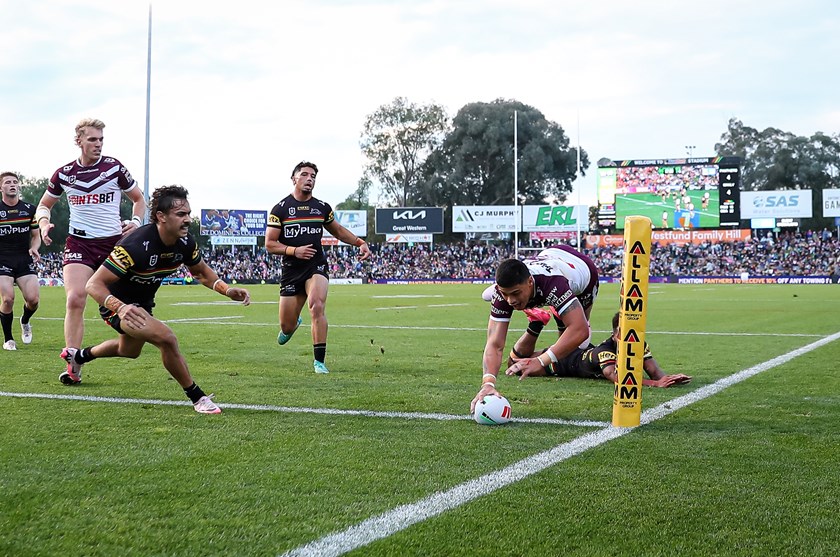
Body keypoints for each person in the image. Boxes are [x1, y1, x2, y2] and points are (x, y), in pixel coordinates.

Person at [72, 185, 250, 414]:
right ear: (161, 217)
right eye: (180, 214)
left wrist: (227, 290)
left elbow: (202, 273)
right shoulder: (135, 245)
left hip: (143, 306)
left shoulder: (185, 242)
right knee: (166, 339)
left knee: (129, 350)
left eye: (188, 214)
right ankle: (197, 397)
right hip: (118, 306)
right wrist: (121, 308)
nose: (187, 220)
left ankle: (79, 356)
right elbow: (93, 284)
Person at [36, 118, 147, 384]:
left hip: (113, 244)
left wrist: (135, 223)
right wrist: (43, 223)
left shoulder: (114, 167)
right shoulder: (64, 174)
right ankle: (73, 363)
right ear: (79, 141)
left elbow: (139, 200)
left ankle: (125, 342)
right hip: (79, 243)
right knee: (75, 297)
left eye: (101, 140)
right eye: (92, 140)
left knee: (126, 304)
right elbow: (44, 204)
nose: (98, 144)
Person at [265, 161, 371, 373]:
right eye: (304, 174)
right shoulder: (280, 209)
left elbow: (338, 231)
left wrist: (360, 242)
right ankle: (293, 324)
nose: (309, 178)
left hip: (316, 265)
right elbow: (270, 244)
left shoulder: (321, 207)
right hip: (291, 270)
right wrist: (295, 251)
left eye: (313, 176)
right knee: (285, 326)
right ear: (294, 179)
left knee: (316, 304)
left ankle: (319, 362)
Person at [471, 245, 599, 413]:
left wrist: (541, 361)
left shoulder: (554, 284)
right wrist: (488, 383)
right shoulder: (503, 294)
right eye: (505, 294)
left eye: (515, 293)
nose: (510, 300)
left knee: (577, 347)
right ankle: (556, 309)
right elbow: (495, 344)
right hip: (549, 256)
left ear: (530, 282)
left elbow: (579, 330)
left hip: (582, 271)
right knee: (497, 298)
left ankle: (558, 309)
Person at [504, 311, 692, 387]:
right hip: (563, 362)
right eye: (627, 332)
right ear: (616, 334)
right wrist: (655, 384)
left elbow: (653, 370)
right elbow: (615, 377)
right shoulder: (605, 352)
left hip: (579, 354)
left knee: (521, 360)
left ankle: (545, 322)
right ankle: (536, 323)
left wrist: (668, 379)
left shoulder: (639, 343)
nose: (633, 337)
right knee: (514, 363)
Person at [0, 172, 41, 350]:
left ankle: (25, 321)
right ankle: (8, 339)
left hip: (23, 258)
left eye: (15, 182)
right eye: (7, 182)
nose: (12, 185)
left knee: (33, 300)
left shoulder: (30, 209)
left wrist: (34, 247)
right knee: (8, 299)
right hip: (2, 258)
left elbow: (36, 235)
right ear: (1, 187)